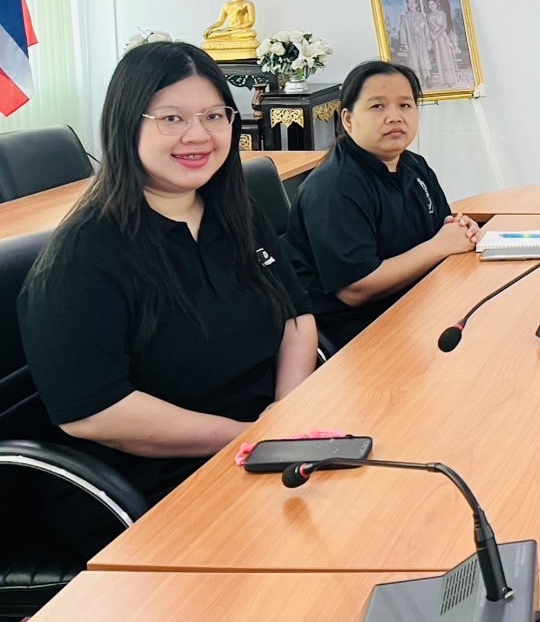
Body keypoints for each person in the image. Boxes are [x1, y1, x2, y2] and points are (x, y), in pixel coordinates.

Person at [18, 41, 317, 552]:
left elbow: (296, 316)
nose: (197, 135)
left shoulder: (235, 211)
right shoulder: (85, 255)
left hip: (263, 448)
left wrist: (286, 419)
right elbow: (95, 411)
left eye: (214, 116)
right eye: (172, 118)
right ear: (125, 125)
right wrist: (248, 436)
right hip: (149, 489)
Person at [285, 60, 480, 345]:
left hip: (419, 305)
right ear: (348, 120)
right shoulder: (333, 187)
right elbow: (356, 289)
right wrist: (440, 245)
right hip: (362, 333)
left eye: (405, 105)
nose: (394, 117)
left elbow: (442, 230)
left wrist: (461, 231)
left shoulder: (415, 166)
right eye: (377, 106)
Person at [396, 0, 432, 82]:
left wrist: (428, 41)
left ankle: (427, 77)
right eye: (409, 3)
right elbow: (402, 30)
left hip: (421, 41)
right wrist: (405, 44)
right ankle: (418, 79)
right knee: (413, 60)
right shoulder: (404, 17)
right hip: (410, 42)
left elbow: (426, 29)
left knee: (423, 59)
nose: (411, 5)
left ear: (416, 4)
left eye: (413, 3)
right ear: (407, 4)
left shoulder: (421, 16)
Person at [426, 0, 460, 88]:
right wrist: (432, 36)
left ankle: (450, 80)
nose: (431, 6)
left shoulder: (442, 13)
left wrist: (437, 34)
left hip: (442, 37)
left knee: (446, 57)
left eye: (433, 4)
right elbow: (429, 28)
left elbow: (444, 26)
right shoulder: (428, 16)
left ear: (436, 4)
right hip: (435, 39)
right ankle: (443, 81)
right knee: (439, 58)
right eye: (429, 4)